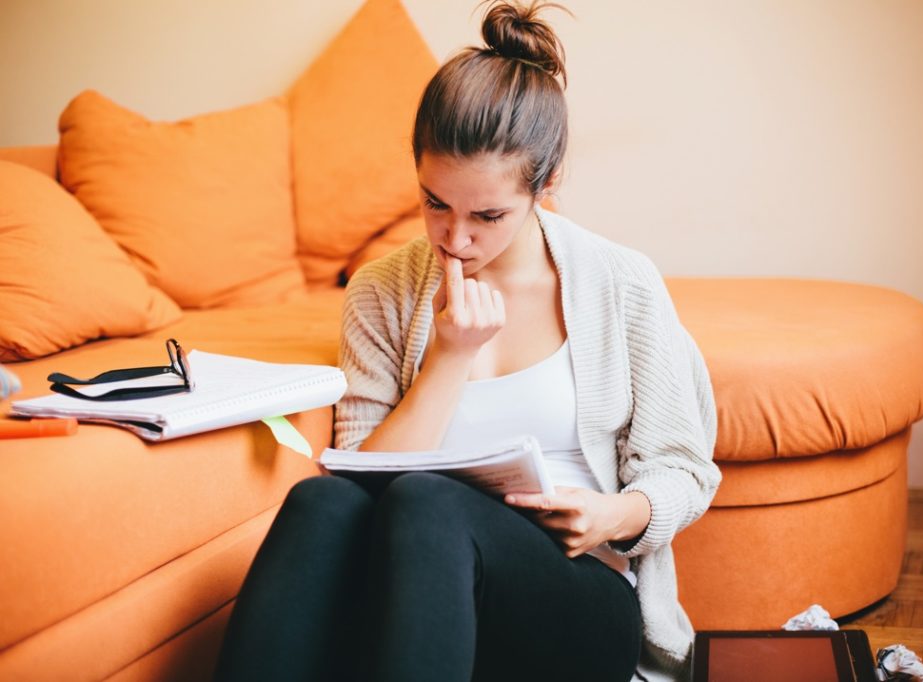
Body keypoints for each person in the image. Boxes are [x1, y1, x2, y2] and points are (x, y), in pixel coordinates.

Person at [215, 2, 721, 681]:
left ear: (547, 184)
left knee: (429, 503)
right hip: (420, 596)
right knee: (321, 500)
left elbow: (685, 473)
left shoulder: (622, 284)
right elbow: (360, 481)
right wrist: (448, 357)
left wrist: (609, 515)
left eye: (488, 215)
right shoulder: (380, 291)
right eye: (434, 203)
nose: (455, 239)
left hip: (575, 599)